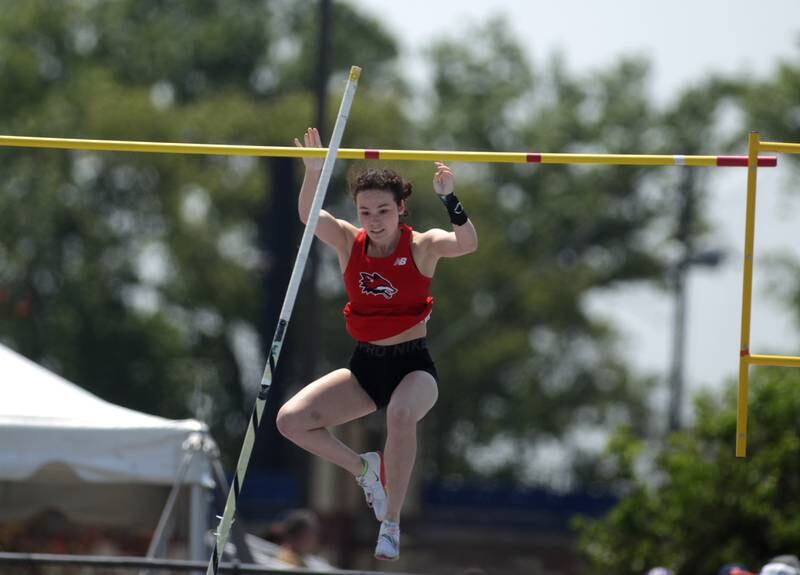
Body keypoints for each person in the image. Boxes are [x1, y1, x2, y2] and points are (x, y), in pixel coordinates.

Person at [277, 127, 479, 561]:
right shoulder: (350, 241)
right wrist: (314, 172)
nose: (374, 219)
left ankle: (391, 523)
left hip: (413, 367)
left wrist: (449, 198)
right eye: (365, 211)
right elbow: (309, 217)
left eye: (383, 210)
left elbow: (467, 243)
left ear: (401, 208)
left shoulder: (421, 245)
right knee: (290, 421)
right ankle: (363, 467)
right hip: (366, 367)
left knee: (402, 416)